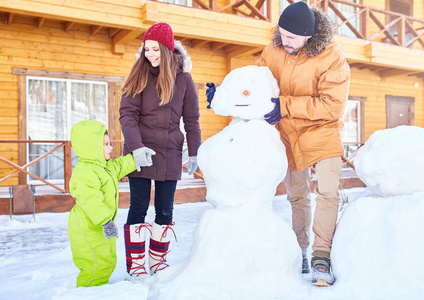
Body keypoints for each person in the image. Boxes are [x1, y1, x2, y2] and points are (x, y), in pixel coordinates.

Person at [206, 2, 349, 287]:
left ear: (308, 34)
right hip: (287, 134)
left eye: (292, 37)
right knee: (297, 196)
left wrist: (283, 105)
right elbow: (254, 84)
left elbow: (332, 105)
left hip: (321, 131)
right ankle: (299, 251)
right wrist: (224, 94)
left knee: (328, 192)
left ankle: (321, 254)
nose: (285, 41)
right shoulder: (273, 51)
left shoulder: (331, 56)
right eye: (281, 34)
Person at [119, 22, 201, 277]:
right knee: (139, 206)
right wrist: (137, 148)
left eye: (155, 49)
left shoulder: (184, 80)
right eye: (146, 49)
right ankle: (135, 265)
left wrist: (196, 151)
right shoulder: (139, 74)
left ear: (167, 49)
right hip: (140, 150)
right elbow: (127, 115)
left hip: (170, 151)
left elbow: (191, 120)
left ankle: (157, 261)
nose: (150, 54)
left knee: (165, 208)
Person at [68, 120, 142, 287]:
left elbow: (118, 167)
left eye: (109, 143)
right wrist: (105, 221)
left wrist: (134, 159)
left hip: (103, 224)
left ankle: (100, 290)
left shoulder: (103, 167)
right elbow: (90, 199)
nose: (110, 148)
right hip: (88, 226)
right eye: (105, 144)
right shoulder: (85, 171)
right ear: (91, 147)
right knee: (94, 264)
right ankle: (86, 293)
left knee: (107, 259)